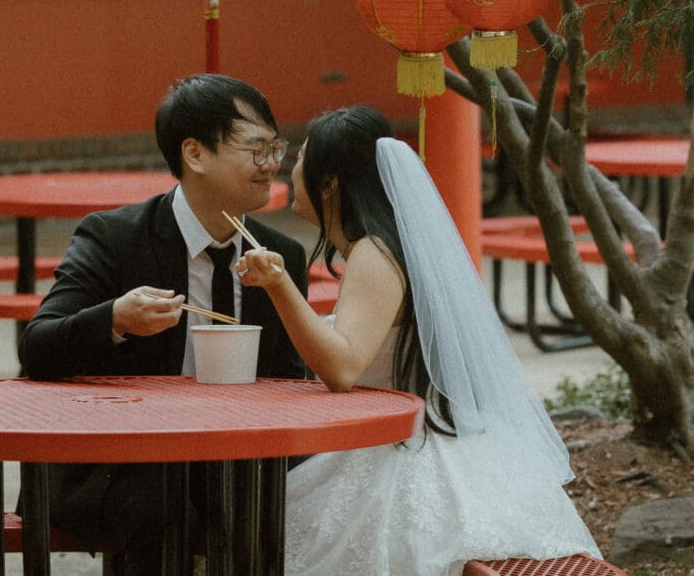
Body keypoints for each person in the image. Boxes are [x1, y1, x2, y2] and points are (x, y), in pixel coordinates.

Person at [236, 106, 601, 575]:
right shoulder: (381, 246)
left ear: (330, 184)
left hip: (402, 457)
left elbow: (342, 370)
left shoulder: (373, 251)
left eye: (302, 157)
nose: (292, 168)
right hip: (421, 442)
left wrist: (279, 286)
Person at [17, 73, 308, 573]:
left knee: (301, 497)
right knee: (163, 507)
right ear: (195, 154)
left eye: (275, 148)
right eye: (255, 150)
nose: (271, 166)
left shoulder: (281, 255)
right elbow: (38, 347)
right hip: (121, 459)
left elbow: (292, 379)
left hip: (234, 454)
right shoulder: (114, 236)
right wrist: (114, 319)